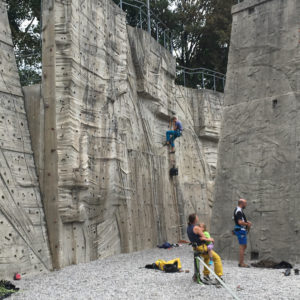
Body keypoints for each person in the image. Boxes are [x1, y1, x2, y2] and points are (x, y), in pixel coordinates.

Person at [187, 213, 224, 284]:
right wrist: (211, 239)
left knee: (207, 258)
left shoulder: (189, 227)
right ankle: (218, 277)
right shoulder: (196, 228)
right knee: (217, 258)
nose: (198, 218)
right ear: (195, 219)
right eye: (197, 217)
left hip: (195, 248)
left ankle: (206, 275)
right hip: (201, 248)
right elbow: (204, 238)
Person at [233, 198, 252, 268]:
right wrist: (247, 224)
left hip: (241, 230)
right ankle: (241, 263)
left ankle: (241, 262)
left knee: (244, 246)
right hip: (240, 230)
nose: (246, 205)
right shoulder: (238, 211)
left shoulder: (239, 210)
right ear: (242, 203)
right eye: (245, 203)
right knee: (242, 247)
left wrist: (246, 223)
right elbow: (240, 222)